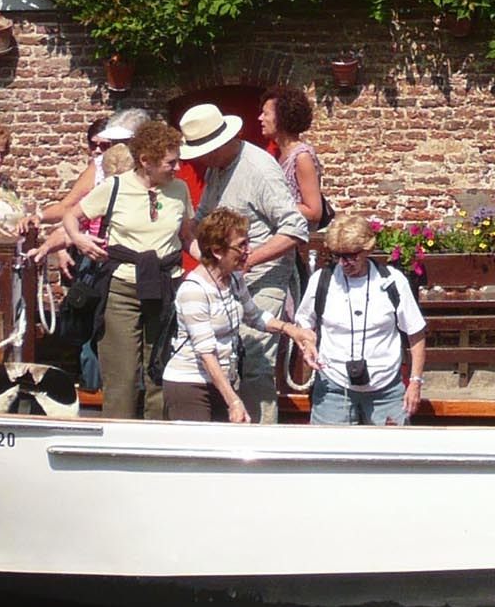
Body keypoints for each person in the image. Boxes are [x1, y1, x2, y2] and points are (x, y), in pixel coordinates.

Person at [45, 118, 191, 419]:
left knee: (160, 369)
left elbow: (188, 237)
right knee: (121, 373)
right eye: (170, 162)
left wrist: (215, 267)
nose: (177, 168)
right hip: (122, 288)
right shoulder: (114, 187)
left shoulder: (180, 190)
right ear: (146, 161)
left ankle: (157, 440)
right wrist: (79, 239)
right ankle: (118, 436)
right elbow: (73, 215)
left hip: (166, 286)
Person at [183, 102, 312, 416]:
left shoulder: (259, 169)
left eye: (206, 150)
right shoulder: (216, 168)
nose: (201, 158)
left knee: (255, 364)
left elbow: (295, 227)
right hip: (230, 284)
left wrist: (249, 259)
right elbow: (203, 222)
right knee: (227, 360)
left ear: (224, 141)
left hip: (264, 280)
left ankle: (261, 443)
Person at [161, 207, 313, 423]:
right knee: (199, 455)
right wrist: (234, 400)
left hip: (223, 382)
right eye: (241, 245)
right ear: (217, 251)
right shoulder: (194, 291)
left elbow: (254, 316)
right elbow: (206, 353)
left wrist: (292, 331)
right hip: (190, 385)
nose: (249, 251)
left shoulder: (233, 279)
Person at [299, 213, 427, 426]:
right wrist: (307, 344)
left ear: (367, 250)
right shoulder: (321, 281)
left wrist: (415, 382)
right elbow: (304, 322)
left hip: (386, 389)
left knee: (392, 456)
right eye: (338, 256)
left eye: (351, 256)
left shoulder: (393, 281)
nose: (344, 263)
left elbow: (416, 334)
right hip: (333, 387)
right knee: (328, 456)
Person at [43, 108, 151, 228]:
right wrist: (38, 217)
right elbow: (70, 207)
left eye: (123, 142)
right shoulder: (100, 165)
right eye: (113, 143)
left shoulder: (157, 169)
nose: (116, 147)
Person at [260, 87, 328, 230]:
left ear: (281, 118)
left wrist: (268, 204)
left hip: (297, 242)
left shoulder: (302, 157)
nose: (260, 118)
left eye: (265, 114)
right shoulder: (279, 155)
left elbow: (314, 212)